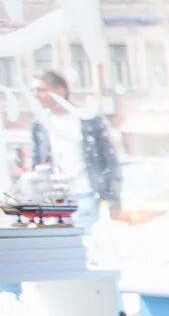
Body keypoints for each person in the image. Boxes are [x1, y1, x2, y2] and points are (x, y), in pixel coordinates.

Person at [29, 71, 120, 226]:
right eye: (34, 91)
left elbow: (108, 159)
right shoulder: (40, 124)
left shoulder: (88, 120)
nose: (36, 95)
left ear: (60, 90)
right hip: (55, 198)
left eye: (42, 90)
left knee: (83, 240)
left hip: (85, 193)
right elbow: (37, 160)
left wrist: (113, 200)